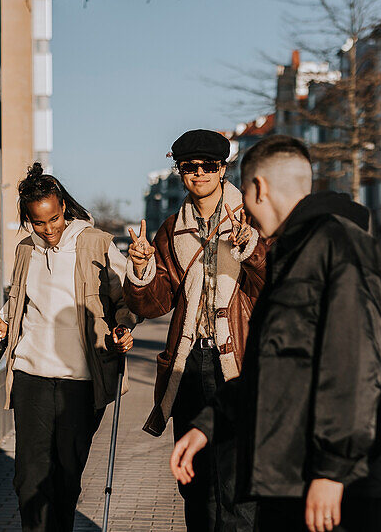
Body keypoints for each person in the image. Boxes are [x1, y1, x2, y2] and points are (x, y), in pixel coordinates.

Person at [170, 135, 381, 532]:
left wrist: (332, 470)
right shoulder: (295, 251)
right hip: (291, 473)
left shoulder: (337, 246)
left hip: (333, 485)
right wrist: (210, 423)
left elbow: (354, 366)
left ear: (258, 189)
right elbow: (277, 363)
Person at [124, 129, 267, 532]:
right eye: (189, 167)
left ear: (223, 169)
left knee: (238, 482)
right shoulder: (171, 229)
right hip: (191, 366)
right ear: (180, 171)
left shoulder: (253, 217)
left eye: (209, 166)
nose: (199, 173)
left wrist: (251, 246)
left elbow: (278, 284)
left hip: (239, 363)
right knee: (195, 483)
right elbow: (155, 304)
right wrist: (140, 269)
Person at [0, 163, 135, 532]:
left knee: (66, 478)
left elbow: (126, 299)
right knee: (29, 479)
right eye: (39, 223)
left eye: (53, 219)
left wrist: (123, 327)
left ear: (63, 208)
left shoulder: (96, 242)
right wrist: (1, 324)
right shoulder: (25, 251)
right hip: (32, 376)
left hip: (80, 381)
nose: (48, 230)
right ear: (28, 220)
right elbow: (17, 299)